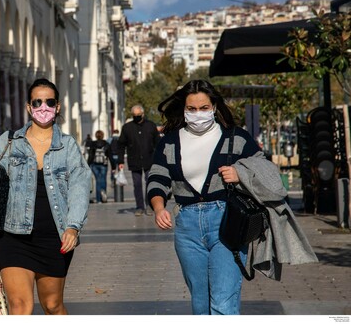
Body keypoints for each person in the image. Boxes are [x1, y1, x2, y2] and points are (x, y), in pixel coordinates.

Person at [146, 79, 317, 315]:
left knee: (223, 302)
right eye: (192, 109)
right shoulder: (170, 141)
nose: (198, 114)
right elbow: (158, 177)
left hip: (226, 220)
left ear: (214, 107)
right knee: (200, 302)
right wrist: (158, 208)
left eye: (204, 108)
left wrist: (240, 174)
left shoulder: (236, 138)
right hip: (186, 226)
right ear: (184, 110)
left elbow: (265, 171)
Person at [0, 78, 92, 315]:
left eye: (49, 102)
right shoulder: (10, 141)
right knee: (20, 307)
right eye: (37, 102)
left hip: (56, 237)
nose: (43, 107)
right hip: (15, 236)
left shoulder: (68, 146)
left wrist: (73, 227)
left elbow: (80, 187)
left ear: (58, 106)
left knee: (52, 305)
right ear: (28, 107)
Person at [117, 104, 161, 216]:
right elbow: (121, 145)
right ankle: (139, 207)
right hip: (134, 160)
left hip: (149, 160)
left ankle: (149, 205)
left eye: (138, 115)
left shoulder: (150, 126)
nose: (137, 117)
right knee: (137, 184)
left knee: (150, 183)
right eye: (134, 115)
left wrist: (160, 159)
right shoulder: (127, 128)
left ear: (143, 114)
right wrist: (120, 161)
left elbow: (158, 143)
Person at [87, 130, 112, 203]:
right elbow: (110, 155)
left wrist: (88, 165)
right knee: (103, 180)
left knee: (98, 180)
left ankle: (98, 199)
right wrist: (113, 167)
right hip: (104, 164)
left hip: (94, 165)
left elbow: (91, 155)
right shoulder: (106, 144)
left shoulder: (93, 144)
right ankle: (103, 195)